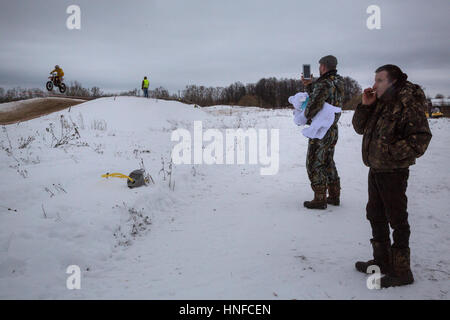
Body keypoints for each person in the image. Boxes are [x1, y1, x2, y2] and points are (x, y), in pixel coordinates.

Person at [352, 64, 432, 288]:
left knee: (397, 218)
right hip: (375, 168)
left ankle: (402, 270)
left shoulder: (408, 102)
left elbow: (421, 139)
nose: (374, 84)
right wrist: (365, 106)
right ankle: (382, 261)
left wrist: (389, 153)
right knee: (375, 214)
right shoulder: (380, 101)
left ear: (392, 82)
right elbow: (359, 128)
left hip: (394, 172)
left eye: (379, 80)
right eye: (374, 79)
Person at [301, 55, 344, 209]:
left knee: (314, 162)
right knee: (328, 161)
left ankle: (320, 198)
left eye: (320, 66)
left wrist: (304, 115)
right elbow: (327, 98)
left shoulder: (324, 83)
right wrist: (310, 85)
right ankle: (334, 195)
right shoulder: (338, 81)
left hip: (321, 130)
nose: (319, 68)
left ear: (324, 66)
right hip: (332, 128)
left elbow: (313, 106)